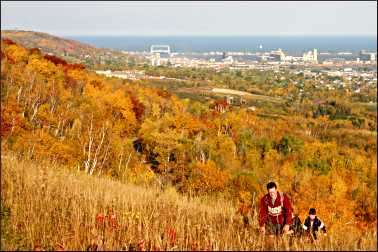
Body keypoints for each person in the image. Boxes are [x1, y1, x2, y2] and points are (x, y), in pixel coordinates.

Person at [259, 182, 293, 249]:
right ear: (268, 191)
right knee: (270, 242)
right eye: (270, 192)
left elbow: (289, 211)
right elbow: (262, 213)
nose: (272, 194)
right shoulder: (265, 199)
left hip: (281, 222)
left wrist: (287, 224)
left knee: (281, 241)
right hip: (271, 222)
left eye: (273, 192)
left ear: (276, 190)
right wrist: (262, 225)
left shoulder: (283, 198)